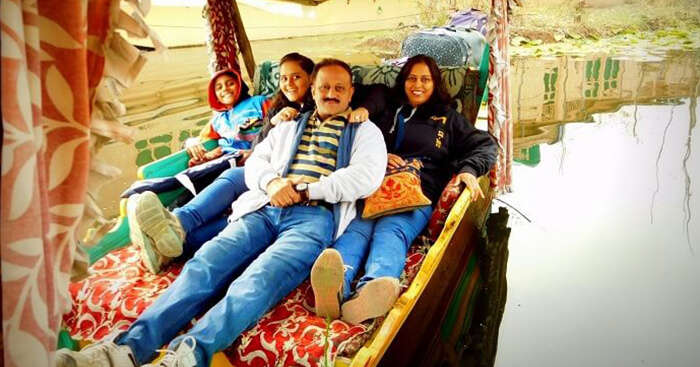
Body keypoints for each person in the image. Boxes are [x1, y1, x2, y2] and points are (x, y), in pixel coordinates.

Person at [55, 58, 387, 367]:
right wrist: (272, 184)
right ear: (313, 90)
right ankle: (124, 350)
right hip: (264, 206)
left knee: (258, 279)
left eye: (339, 88)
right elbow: (256, 161)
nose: (330, 94)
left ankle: (187, 354)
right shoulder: (286, 126)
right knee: (206, 264)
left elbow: (365, 177)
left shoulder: (365, 131)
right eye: (324, 87)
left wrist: (306, 189)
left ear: (351, 92)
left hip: (313, 218)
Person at [130, 53, 376, 274]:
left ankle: (178, 237)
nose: (289, 83)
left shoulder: (328, 108)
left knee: (238, 195)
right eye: (283, 78)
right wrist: (195, 141)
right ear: (315, 88)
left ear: (309, 81)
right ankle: (177, 227)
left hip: (292, 187)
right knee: (240, 202)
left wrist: (364, 108)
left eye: (296, 77)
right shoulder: (280, 106)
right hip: (265, 172)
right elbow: (258, 141)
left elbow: (378, 96)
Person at [310, 54, 498, 324]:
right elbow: (343, 91)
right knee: (357, 231)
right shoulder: (386, 108)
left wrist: (469, 170)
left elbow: (485, 145)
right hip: (373, 189)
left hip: (416, 193)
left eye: (425, 79)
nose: (417, 85)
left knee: (391, 232)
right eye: (411, 78)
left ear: (435, 84)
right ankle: (335, 288)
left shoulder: (447, 118)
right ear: (403, 81)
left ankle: (370, 292)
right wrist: (380, 154)